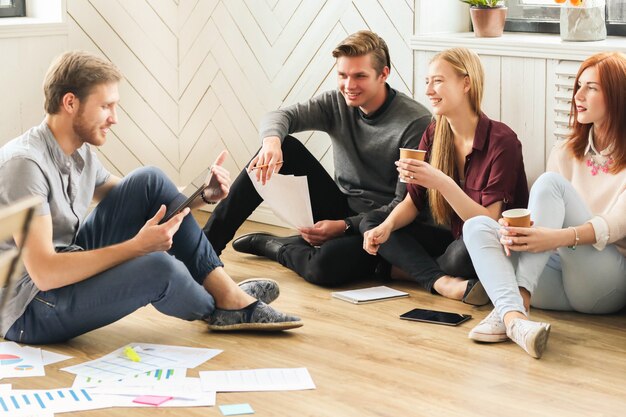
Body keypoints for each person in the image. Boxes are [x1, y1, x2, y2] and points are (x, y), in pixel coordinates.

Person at [0, 51, 302, 345]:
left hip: (66, 264)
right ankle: (224, 303)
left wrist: (200, 197)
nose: (114, 119)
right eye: (106, 106)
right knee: (159, 267)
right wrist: (135, 248)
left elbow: (143, 196)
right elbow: (45, 274)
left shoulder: (79, 151)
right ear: (70, 102)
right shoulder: (24, 164)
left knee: (149, 178)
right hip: (30, 308)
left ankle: (228, 294)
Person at [203, 30, 431, 286]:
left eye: (360, 76)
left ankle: (276, 247)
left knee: (325, 266)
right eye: (342, 75)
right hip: (342, 206)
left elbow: (404, 203)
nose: (349, 85)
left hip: (385, 225)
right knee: (283, 146)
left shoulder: (415, 122)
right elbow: (280, 116)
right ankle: (203, 252)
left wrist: (344, 226)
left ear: (384, 74)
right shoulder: (336, 102)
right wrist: (272, 143)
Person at [463, 52, 626, 359]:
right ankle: (515, 318)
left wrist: (555, 238)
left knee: (550, 183)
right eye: (579, 86)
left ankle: (518, 295)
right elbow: (543, 223)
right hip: (552, 282)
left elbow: (616, 224)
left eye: (591, 88)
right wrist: (518, 235)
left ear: (618, 96)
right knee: (478, 226)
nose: (577, 96)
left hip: (604, 282)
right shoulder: (565, 150)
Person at [361, 48, 528, 305]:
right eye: (427, 82)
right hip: (451, 237)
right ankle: (441, 282)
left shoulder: (502, 142)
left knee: (461, 255)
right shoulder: (434, 132)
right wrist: (386, 228)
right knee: (373, 221)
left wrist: (440, 181)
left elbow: (488, 222)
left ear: (466, 83)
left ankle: (402, 270)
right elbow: (412, 202)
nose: (429, 91)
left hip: (492, 244)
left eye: (438, 81)